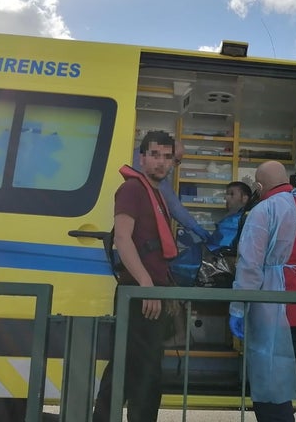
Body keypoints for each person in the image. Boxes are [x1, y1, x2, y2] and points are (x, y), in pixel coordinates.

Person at [228, 161, 296, 422]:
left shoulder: (263, 211)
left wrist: (238, 308)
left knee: (273, 390)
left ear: (259, 186)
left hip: (279, 313)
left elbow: (250, 267)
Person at [94, 130, 179, 422]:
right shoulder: (133, 189)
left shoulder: (154, 192)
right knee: (141, 375)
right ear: (141, 158)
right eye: (154, 155)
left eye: (167, 157)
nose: (161, 162)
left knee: (132, 370)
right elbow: (123, 238)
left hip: (148, 294)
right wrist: (146, 284)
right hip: (139, 295)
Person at [132, 137, 210, 242]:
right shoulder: (148, 166)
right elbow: (171, 202)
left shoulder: (145, 157)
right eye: (176, 161)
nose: (174, 166)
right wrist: (193, 225)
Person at [206, 180, 252, 253]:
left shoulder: (237, 221)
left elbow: (222, 248)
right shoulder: (232, 218)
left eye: (231, 194)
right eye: (226, 194)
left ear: (244, 198)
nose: (226, 198)